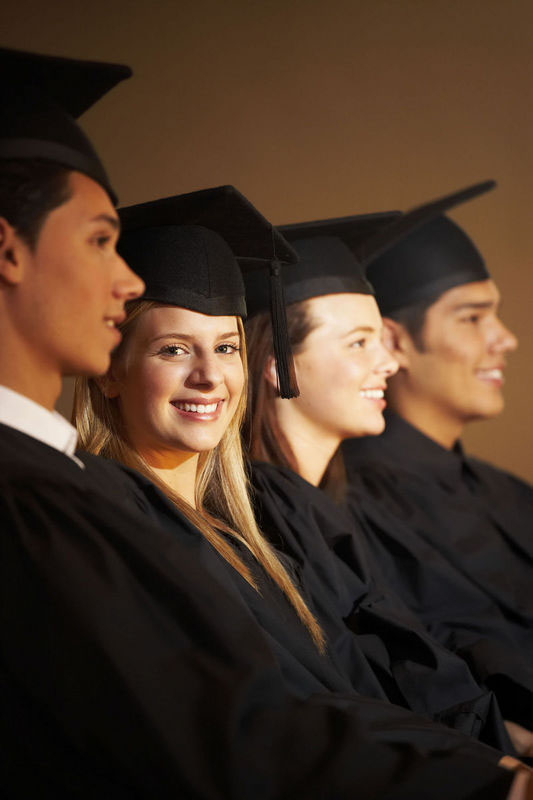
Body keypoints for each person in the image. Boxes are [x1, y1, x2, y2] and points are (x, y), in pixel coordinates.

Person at [0, 47, 528, 797]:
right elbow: (235, 729)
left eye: (224, 347)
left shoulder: (275, 516)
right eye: (174, 348)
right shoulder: (71, 505)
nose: (210, 376)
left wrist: (496, 757)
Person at [242, 187, 533, 756]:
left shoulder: (330, 509)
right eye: (360, 341)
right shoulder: (288, 521)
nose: (389, 361)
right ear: (278, 365)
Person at [337, 183, 533, 719]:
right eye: (471, 318)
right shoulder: (354, 508)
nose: (506, 339)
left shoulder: (507, 492)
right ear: (393, 343)